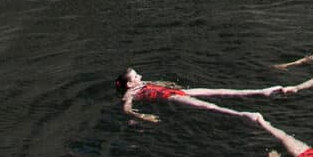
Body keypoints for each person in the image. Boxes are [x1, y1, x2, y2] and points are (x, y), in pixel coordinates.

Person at [114, 66, 282, 124]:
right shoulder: (129, 95)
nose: (140, 77)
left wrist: (172, 85)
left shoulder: (141, 85)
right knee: (208, 105)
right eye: (136, 76)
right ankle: (244, 114)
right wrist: (145, 117)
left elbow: (159, 84)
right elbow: (127, 110)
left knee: (217, 91)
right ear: (129, 84)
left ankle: (260, 91)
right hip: (172, 97)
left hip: (178, 92)